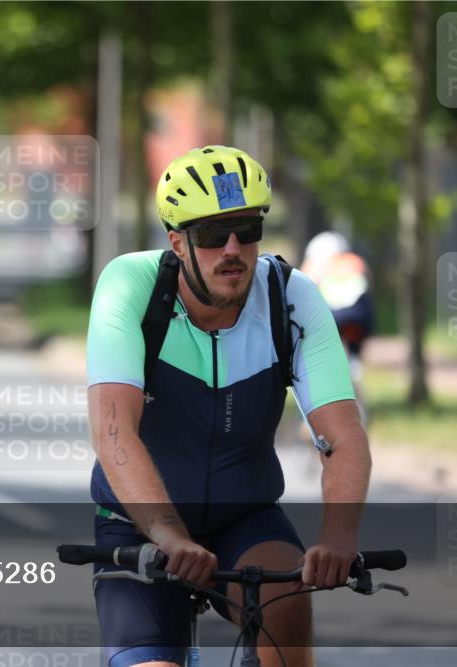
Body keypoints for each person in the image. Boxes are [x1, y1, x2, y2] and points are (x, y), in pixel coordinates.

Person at [86, 146, 371, 667]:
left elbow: (344, 436)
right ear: (178, 242)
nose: (233, 248)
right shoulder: (131, 285)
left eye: (246, 228)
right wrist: (169, 533)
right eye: (212, 235)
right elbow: (112, 431)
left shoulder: (292, 298)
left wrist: (337, 536)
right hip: (139, 523)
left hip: (246, 516)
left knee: (285, 611)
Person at [300, 231, 374, 385]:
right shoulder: (355, 261)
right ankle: (354, 362)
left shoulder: (314, 266)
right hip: (360, 318)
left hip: (331, 317)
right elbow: (368, 284)